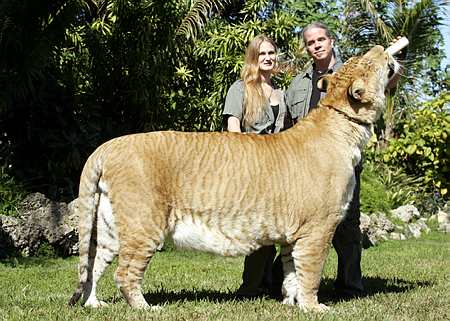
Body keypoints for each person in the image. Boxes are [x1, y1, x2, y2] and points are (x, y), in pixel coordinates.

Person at [285, 22, 365, 299]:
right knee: (297, 227)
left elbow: (383, 88)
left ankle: (350, 286)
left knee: (347, 226)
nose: (316, 45)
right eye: (310, 42)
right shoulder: (297, 84)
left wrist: (397, 61)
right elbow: (287, 126)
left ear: (331, 41)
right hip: (303, 168)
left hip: (340, 162)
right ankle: (289, 284)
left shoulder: (349, 74)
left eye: (321, 39)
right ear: (306, 47)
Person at [222, 34, 292, 298]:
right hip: (250, 165)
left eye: (271, 53)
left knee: (279, 229)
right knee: (260, 230)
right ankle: (250, 286)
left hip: (278, 168)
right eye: (262, 54)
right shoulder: (240, 89)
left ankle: (271, 281)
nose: (267, 58)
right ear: (253, 58)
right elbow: (232, 129)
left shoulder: (280, 92)